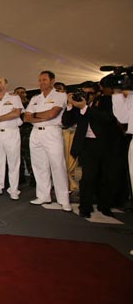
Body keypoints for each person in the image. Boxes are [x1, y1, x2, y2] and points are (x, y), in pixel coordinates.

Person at [63, 82, 120, 217]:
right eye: (84, 92)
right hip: (86, 145)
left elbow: (107, 118)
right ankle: (85, 207)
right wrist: (70, 106)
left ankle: (104, 206)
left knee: (106, 177)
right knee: (88, 177)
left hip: (105, 144)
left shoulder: (106, 102)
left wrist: (85, 107)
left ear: (96, 94)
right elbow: (66, 122)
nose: (86, 96)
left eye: (89, 93)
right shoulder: (77, 105)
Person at [24, 71, 72, 211]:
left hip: (52, 132)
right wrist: (39, 116)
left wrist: (35, 115)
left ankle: (64, 199)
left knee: (58, 166)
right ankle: (43, 195)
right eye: (40, 80)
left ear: (52, 81)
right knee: (39, 166)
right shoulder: (35, 98)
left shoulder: (60, 95)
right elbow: (26, 117)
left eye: (44, 79)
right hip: (36, 133)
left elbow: (53, 114)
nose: (41, 82)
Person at [0, 78, 23, 200]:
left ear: (6, 84)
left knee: (13, 162)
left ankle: (13, 189)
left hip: (11, 133)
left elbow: (16, 113)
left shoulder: (14, 98)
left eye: (0, 82)